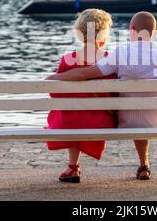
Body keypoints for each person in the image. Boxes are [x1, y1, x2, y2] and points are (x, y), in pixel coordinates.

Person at [47, 11, 157, 180]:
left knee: (134, 101)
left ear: (132, 29)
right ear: (153, 32)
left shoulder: (119, 54)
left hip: (127, 121)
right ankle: (144, 165)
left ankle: (74, 166)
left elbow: (82, 75)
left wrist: (54, 78)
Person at [46, 9, 117, 183]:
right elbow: (116, 93)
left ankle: (73, 167)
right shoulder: (110, 60)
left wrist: (54, 78)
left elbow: (55, 92)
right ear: (104, 34)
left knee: (69, 112)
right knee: (83, 113)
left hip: (68, 122)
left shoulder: (67, 59)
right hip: (100, 121)